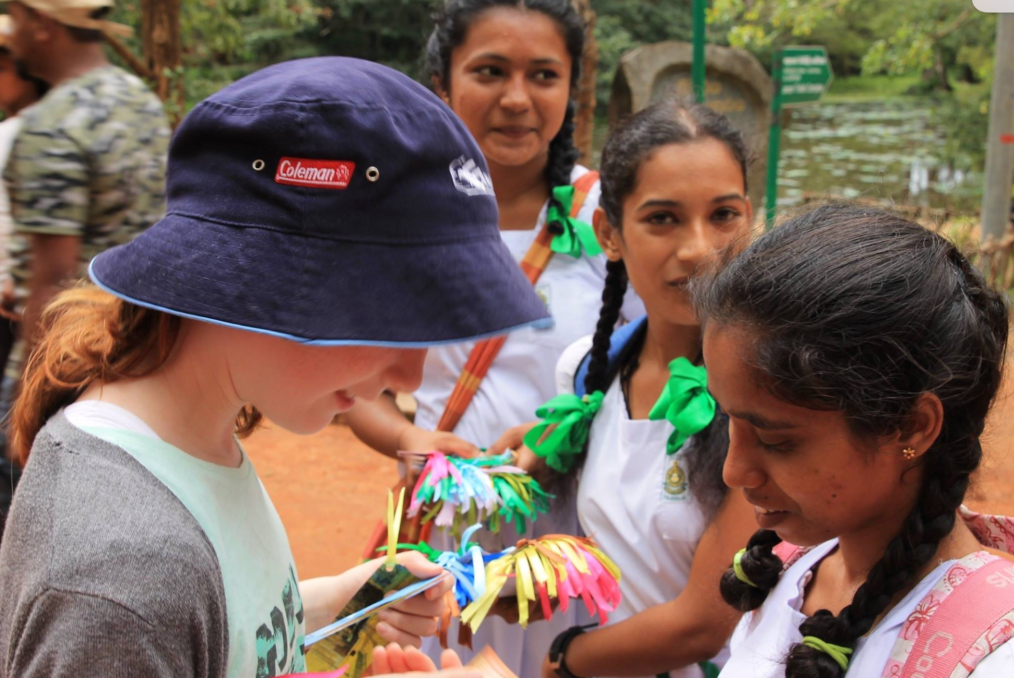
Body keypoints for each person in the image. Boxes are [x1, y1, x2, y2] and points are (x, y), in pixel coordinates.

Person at [0, 57, 548, 678]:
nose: (410, 377)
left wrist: (336, 604)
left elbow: (214, 630)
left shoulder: (190, 447)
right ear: (259, 278)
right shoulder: (123, 572)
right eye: (393, 318)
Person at [345, 1, 640, 674]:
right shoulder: (400, 216)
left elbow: (673, 358)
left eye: (543, 75)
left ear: (571, 87)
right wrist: (405, 439)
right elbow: (340, 379)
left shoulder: (613, 217)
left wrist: (570, 436)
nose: (516, 98)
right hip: (447, 540)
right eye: (489, 71)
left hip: (577, 542)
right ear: (443, 86)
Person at [695, 204, 1013, 677]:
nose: (734, 471)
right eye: (729, 421)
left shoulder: (989, 654)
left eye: (777, 440)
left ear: (912, 426)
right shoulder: (789, 568)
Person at [511, 101, 758, 678]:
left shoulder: (774, 397)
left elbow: (706, 620)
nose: (699, 248)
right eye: (663, 218)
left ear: (750, 217)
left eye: (723, 214)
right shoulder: (588, 372)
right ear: (609, 233)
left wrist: (566, 659)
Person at [0, 0, 169, 556]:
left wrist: (30, 401)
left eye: (15, 19)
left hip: (73, 350)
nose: (11, 34)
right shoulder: (140, 101)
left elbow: (52, 276)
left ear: (42, 25)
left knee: (10, 465)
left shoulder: (52, 123)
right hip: (145, 339)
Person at [0, 13, 45, 558]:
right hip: (7, 309)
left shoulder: (39, 134)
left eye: (0, 63)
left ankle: (16, 556)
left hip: (33, 314)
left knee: (8, 440)